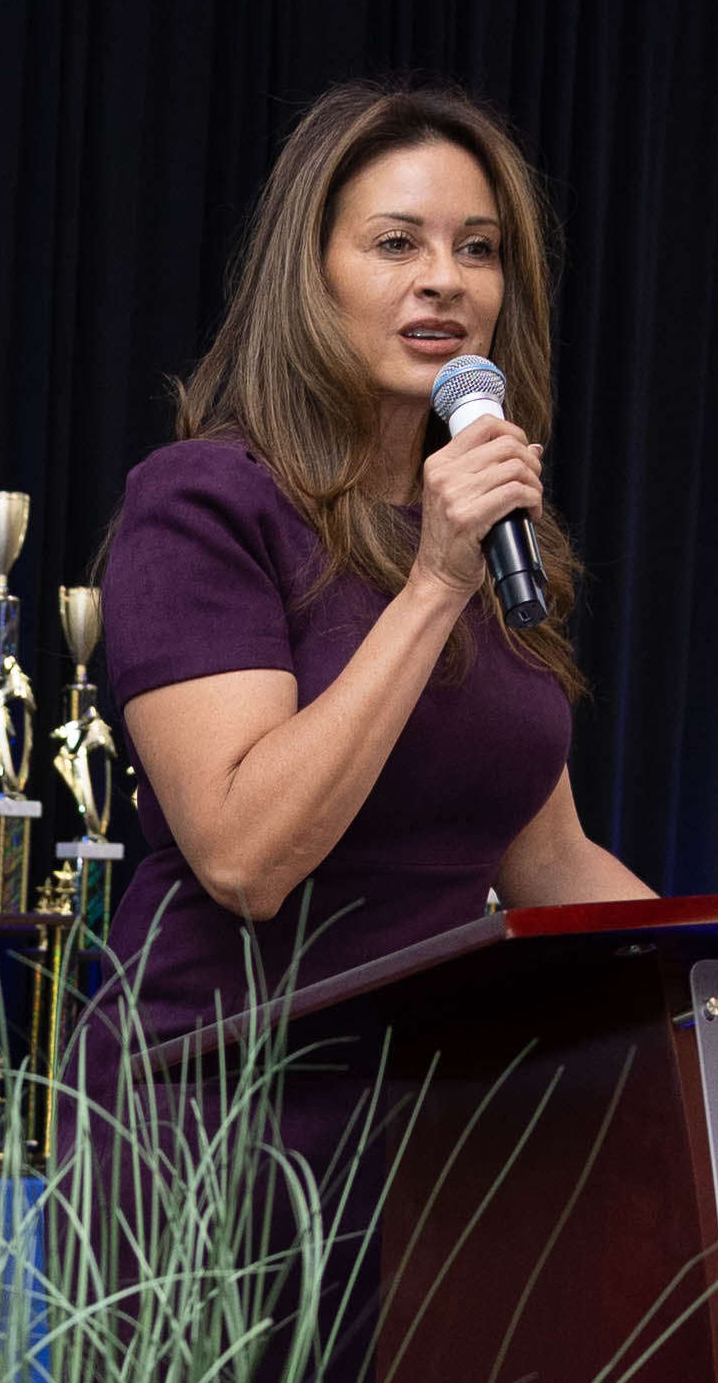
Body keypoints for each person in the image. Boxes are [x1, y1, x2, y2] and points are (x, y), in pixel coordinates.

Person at [96, 78, 649, 1056]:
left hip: (429, 1109)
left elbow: (550, 860)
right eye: (397, 244)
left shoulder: (479, 529)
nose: (445, 280)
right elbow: (244, 860)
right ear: (310, 276)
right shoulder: (203, 503)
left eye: (477, 248)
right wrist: (434, 585)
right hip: (219, 1096)